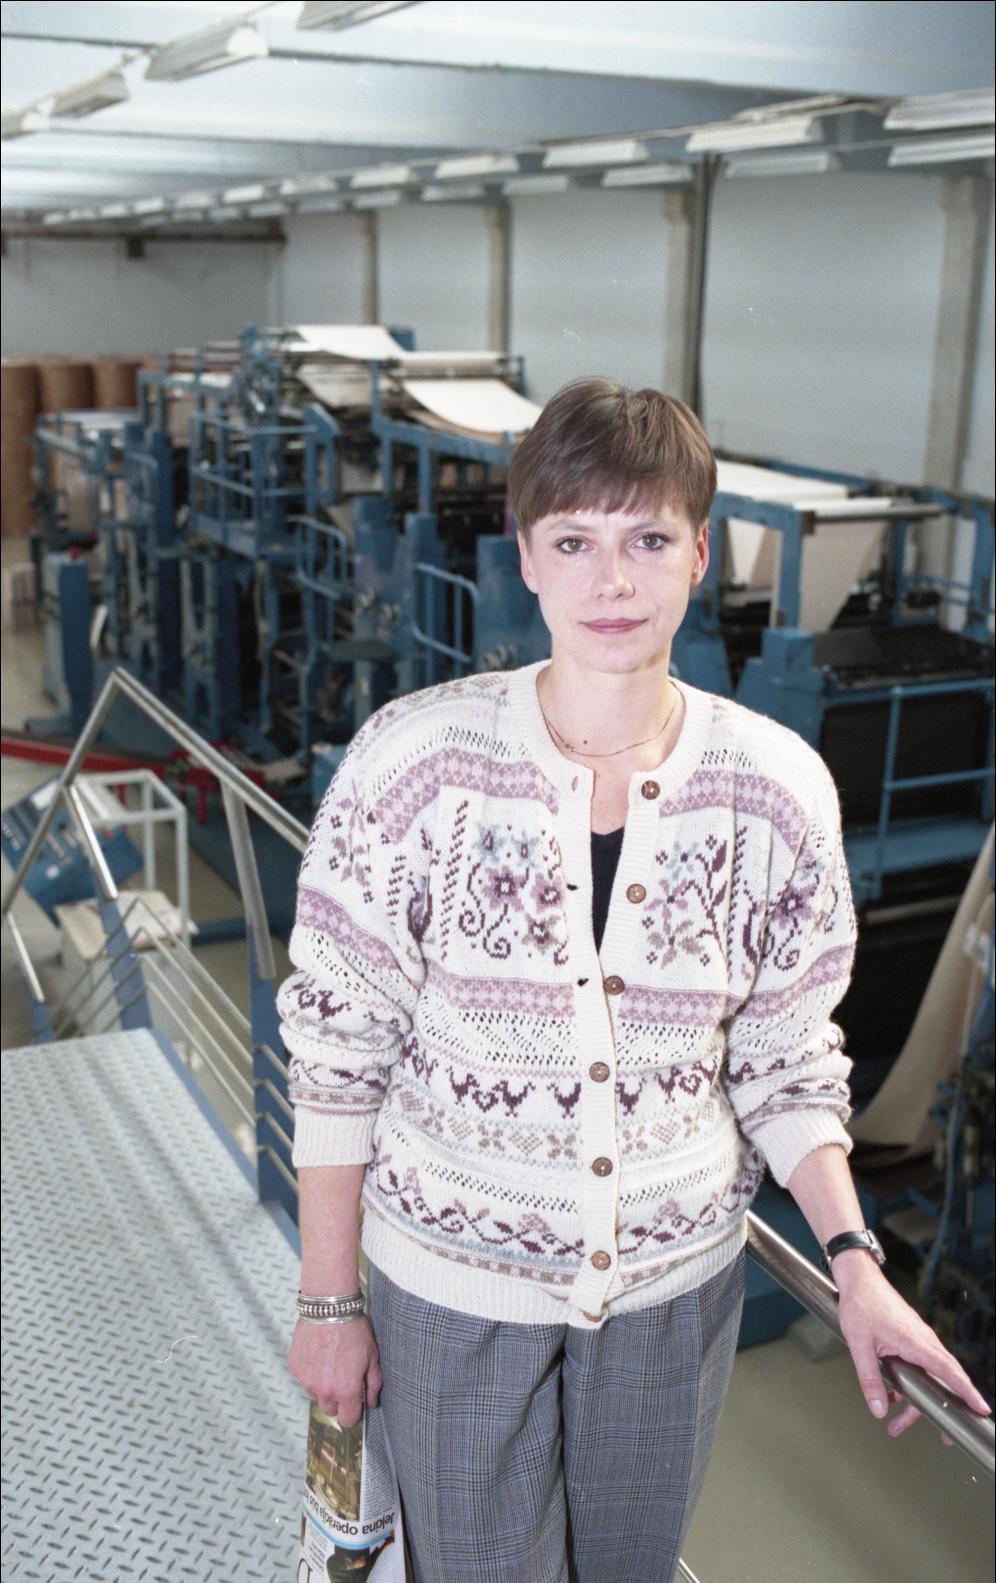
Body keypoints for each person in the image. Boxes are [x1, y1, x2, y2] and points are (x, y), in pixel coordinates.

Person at [278, 378, 990, 1583]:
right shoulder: (414, 763)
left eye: (649, 538)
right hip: (453, 1295)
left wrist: (857, 1260)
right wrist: (329, 1303)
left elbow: (788, 1059)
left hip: (673, 1300)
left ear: (701, 554)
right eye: (575, 541)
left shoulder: (778, 788)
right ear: (526, 558)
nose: (613, 580)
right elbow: (337, 1053)